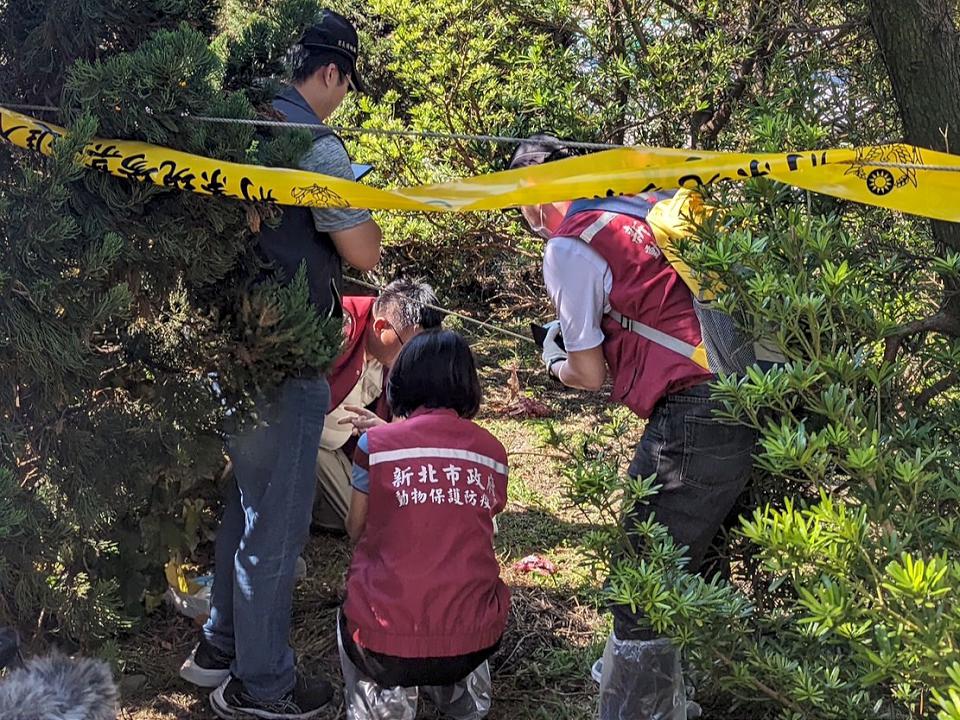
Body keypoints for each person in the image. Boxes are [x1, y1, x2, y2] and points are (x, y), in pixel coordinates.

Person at [510, 135, 758, 719]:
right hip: (745, 388)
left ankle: (636, 707)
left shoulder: (569, 245)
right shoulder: (643, 201)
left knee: (640, 574)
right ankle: (669, 693)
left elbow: (589, 371)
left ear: (532, 196)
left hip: (693, 408)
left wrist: (554, 360)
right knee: (686, 557)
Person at [179, 11, 382, 720]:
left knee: (248, 498)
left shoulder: (230, 121)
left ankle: (219, 648)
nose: (343, 99)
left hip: (222, 346)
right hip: (283, 353)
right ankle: (262, 686)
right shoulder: (312, 142)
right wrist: (361, 194)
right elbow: (363, 251)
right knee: (277, 524)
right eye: (347, 86)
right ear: (330, 72)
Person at [337, 330, 509, 720]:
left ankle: (384, 708)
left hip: (384, 644)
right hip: (473, 640)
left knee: (350, 613)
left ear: (403, 380)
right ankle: (464, 702)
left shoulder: (374, 448)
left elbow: (354, 527)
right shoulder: (493, 453)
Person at [313, 279, 443, 533]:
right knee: (359, 520)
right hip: (305, 441)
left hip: (345, 450)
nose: (416, 358)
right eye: (411, 348)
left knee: (366, 515)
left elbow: (411, 421)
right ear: (382, 326)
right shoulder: (339, 324)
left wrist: (385, 432)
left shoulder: (402, 361)